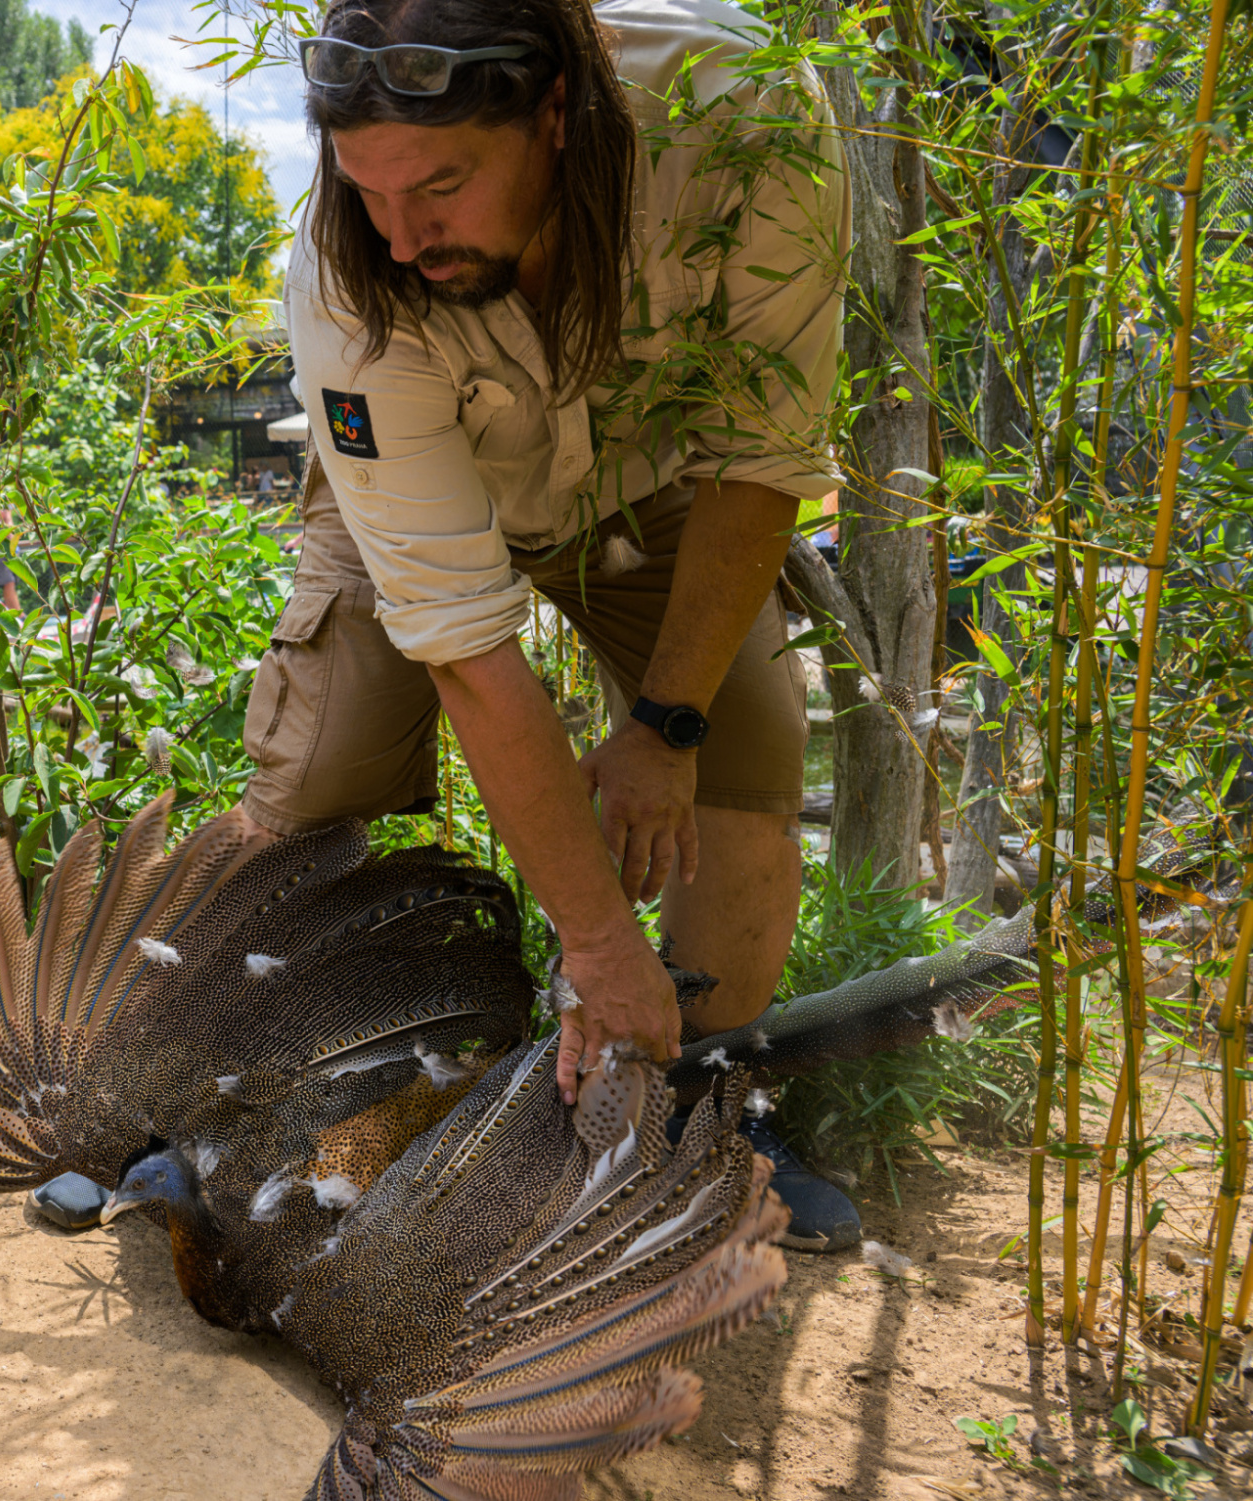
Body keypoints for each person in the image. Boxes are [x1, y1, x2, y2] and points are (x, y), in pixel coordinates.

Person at [242, 0, 855, 1250]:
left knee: (746, 750)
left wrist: (667, 728)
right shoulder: (352, 277)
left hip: (660, 483)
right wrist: (596, 939)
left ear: (559, 112)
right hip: (416, 499)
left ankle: (701, 1105)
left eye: (445, 185)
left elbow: (760, 453)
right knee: (321, 772)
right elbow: (466, 650)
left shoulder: (745, 114)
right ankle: (250, 1087)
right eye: (369, 191)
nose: (404, 236)